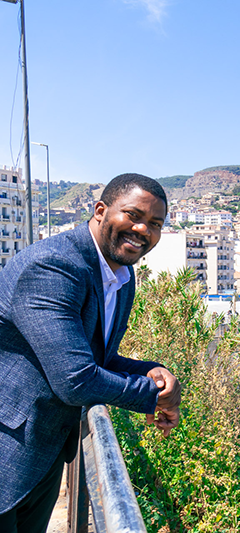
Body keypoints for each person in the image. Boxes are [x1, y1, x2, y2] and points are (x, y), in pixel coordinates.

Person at [0, 174, 181, 531]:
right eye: (133, 215)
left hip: (46, 449)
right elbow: (75, 379)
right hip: (8, 449)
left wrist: (152, 372)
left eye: (155, 224)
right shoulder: (54, 266)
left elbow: (93, 356)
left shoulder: (120, 277)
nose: (143, 229)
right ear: (101, 211)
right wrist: (156, 398)